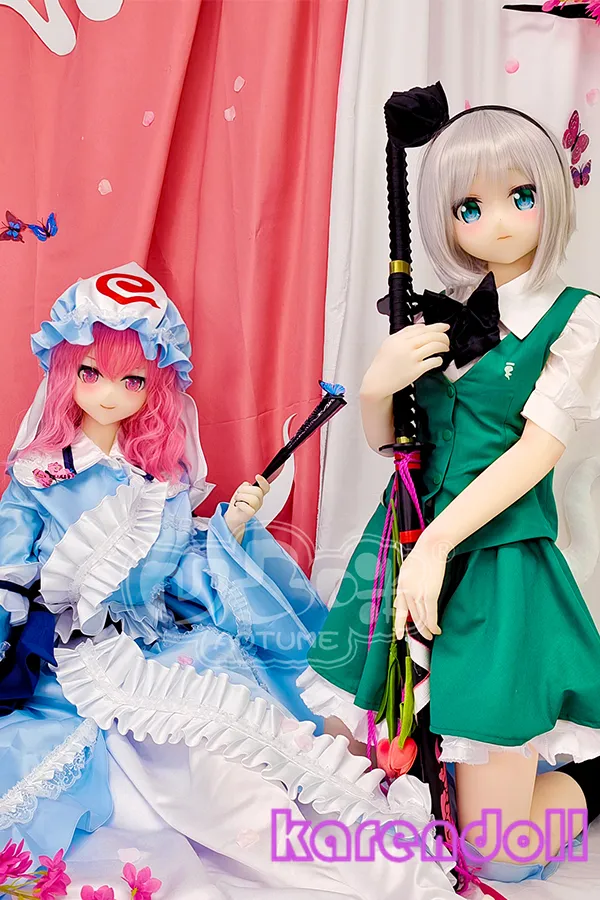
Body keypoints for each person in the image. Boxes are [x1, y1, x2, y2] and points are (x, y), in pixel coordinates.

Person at [0, 262, 456, 899]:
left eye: (132, 380)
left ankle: (350, 842)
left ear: (155, 387)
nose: (108, 395)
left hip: (154, 640)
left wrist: (229, 530)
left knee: (236, 733)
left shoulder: (160, 484)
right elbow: (11, 564)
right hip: (62, 653)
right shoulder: (39, 476)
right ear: (66, 371)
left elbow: (182, 571)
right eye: (90, 373)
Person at [298, 102, 600, 883]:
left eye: (520, 196)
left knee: (498, 854)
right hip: (398, 547)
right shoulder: (434, 312)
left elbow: (537, 452)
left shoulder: (576, 320)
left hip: (496, 569)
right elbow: (394, 444)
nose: (496, 222)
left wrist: (438, 545)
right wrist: (376, 388)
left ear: (551, 195)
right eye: (471, 206)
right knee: (330, 787)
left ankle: (592, 782)